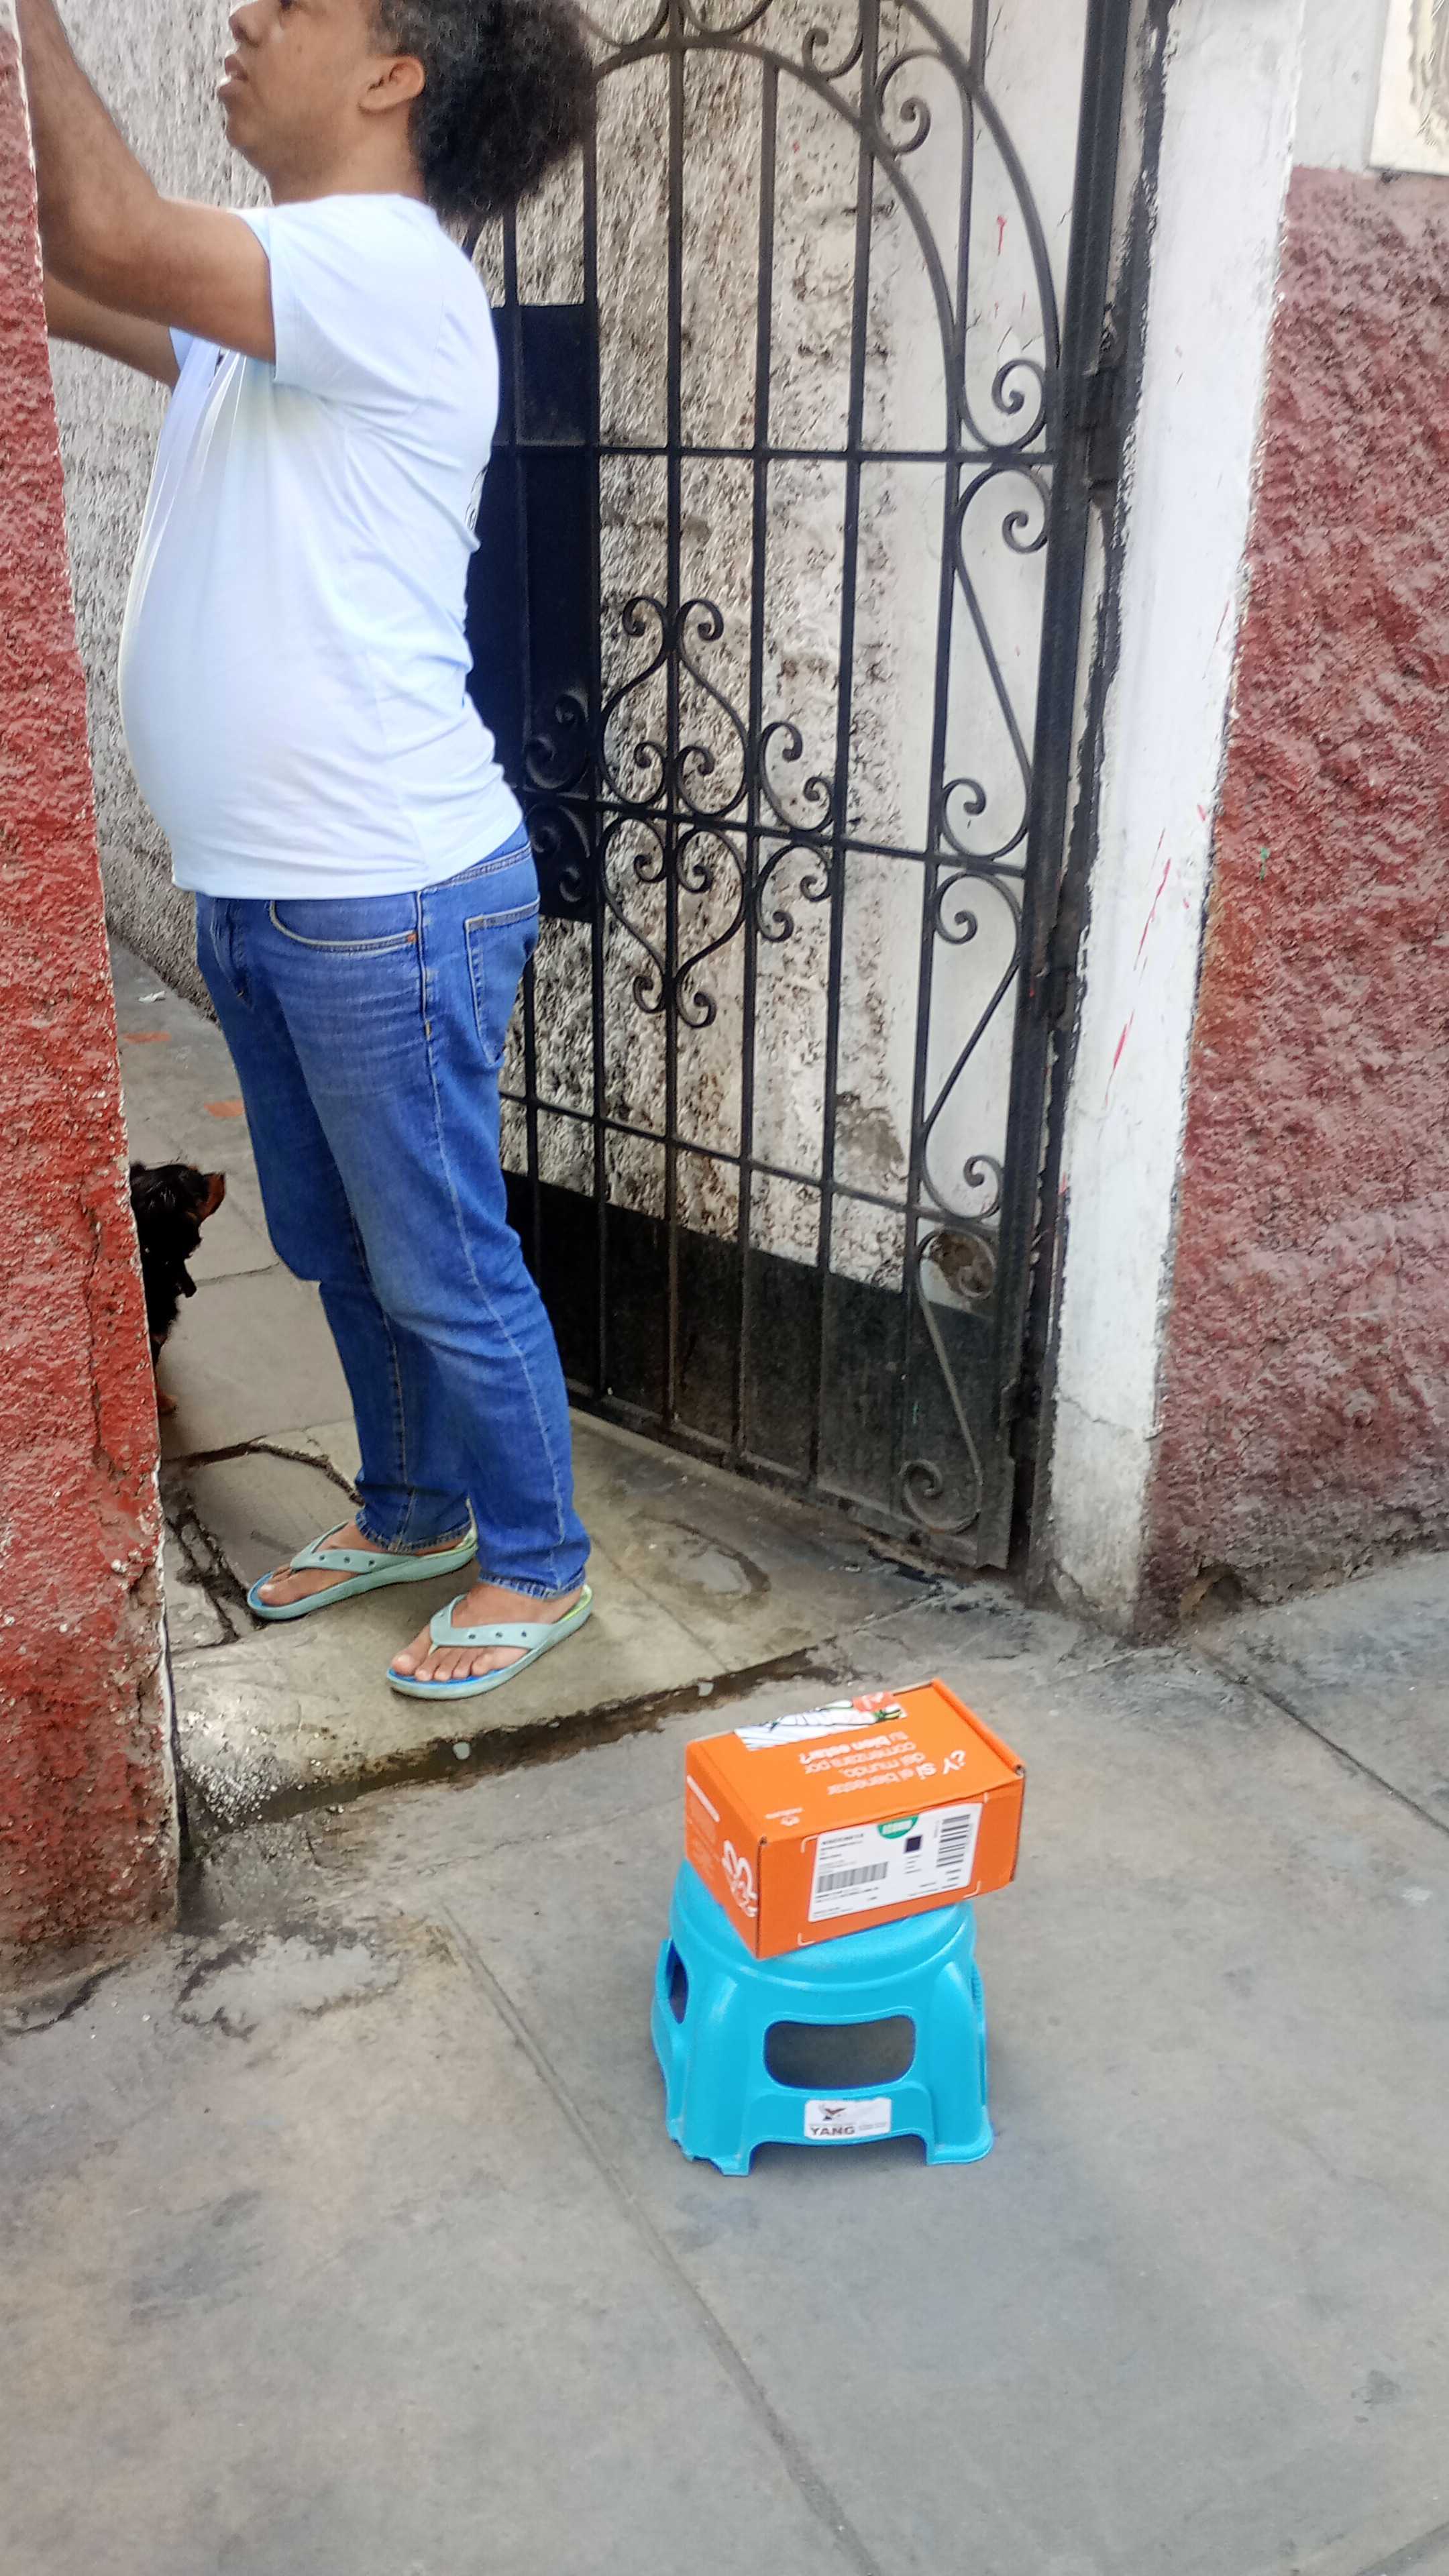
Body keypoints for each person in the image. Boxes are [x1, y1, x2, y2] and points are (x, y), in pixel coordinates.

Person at [21, 0, 596, 1700]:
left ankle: (538, 1561)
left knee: (441, 1259)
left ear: (395, 73)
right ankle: (413, 1509)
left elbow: (105, 233)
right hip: (274, 891)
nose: (246, 18)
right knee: (341, 1249)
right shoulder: (282, 296)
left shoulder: (384, 268)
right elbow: (62, 270)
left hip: (385, 895)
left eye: (298, 3)